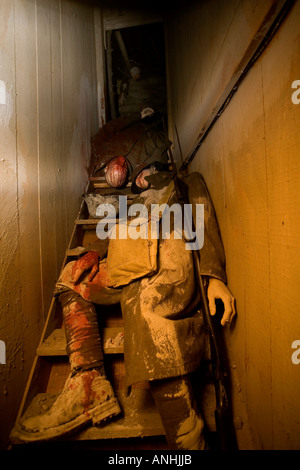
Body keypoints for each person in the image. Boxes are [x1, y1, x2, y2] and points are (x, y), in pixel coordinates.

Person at [10, 111, 236, 450]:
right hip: (130, 269)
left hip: (169, 262)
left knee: (146, 308)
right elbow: (116, 240)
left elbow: (200, 217)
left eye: (148, 172)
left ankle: (188, 438)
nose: (142, 178)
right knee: (72, 276)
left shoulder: (185, 185)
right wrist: (95, 257)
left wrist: (212, 276)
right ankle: (89, 386)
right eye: (139, 176)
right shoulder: (130, 206)